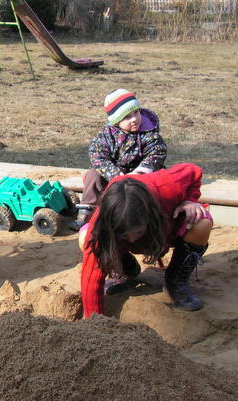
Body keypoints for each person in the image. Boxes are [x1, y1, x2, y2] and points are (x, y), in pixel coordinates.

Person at [79, 163, 212, 318]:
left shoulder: (166, 187)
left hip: (164, 231)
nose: (132, 239)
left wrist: (190, 199)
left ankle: (175, 281)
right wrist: (94, 318)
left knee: (201, 223)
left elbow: (193, 171)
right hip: (117, 242)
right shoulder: (100, 226)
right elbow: (91, 278)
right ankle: (122, 268)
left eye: (138, 232)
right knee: (84, 238)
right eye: (125, 235)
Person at [70, 89, 167, 230]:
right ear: (116, 121)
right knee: (92, 175)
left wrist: (139, 172)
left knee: (160, 179)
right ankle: (87, 210)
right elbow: (97, 154)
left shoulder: (150, 134)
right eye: (127, 117)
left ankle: (152, 215)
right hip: (115, 174)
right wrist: (114, 173)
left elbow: (156, 154)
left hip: (141, 174)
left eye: (136, 112)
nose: (134, 119)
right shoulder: (108, 134)